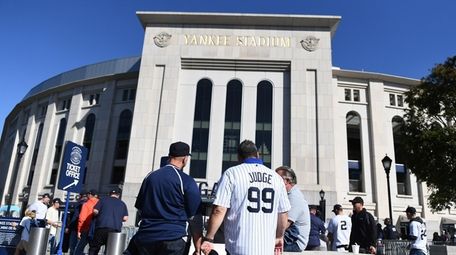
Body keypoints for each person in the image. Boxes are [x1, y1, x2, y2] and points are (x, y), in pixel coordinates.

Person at [201, 140, 290, 255]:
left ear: (239, 157)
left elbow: (219, 210)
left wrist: (209, 238)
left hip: (238, 248)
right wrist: (279, 236)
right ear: (257, 154)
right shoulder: (276, 178)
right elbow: (283, 213)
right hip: (266, 249)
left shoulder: (232, 173)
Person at [132, 141, 201, 255]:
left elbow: (140, 208)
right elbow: (194, 216)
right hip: (173, 237)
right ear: (185, 159)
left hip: (146, 236)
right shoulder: (186, 180)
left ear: (169, 156)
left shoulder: (150, 177)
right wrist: (198, 247)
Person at [275, 166, 310, 252]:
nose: (273, 181)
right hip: (289, 239)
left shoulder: (294, 197)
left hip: (294, 242)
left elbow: (284, 224)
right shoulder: (288, 195)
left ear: (286, 181)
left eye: (276, 179)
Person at [88, 188, 128, 255]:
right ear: (118, 195)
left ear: (109, 194)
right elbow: (125, 218)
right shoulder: (122, 204)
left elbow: (95, 211)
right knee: (111, 250)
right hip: (115, 229)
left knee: (94, 248)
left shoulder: (103, 200)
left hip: (101, 227)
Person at [75, 189, 99, 255]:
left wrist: (79, 230)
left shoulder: (86, 204)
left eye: (88, 194)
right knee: (93, 249)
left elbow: (82, 218)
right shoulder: (101, 203)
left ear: (90, 195)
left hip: (86, 229)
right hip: (97, 229)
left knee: (80, 247)